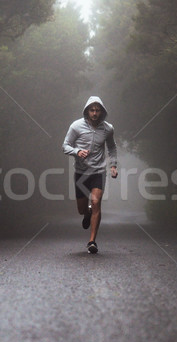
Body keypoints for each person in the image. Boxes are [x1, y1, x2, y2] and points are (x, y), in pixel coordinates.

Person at [63, 96, 118, 254]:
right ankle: (86, 213)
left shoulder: (108, 128)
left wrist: (113, 165)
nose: (95, 113)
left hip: (98, 171)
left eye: (97, 110)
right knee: (82, 209)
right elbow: (65, 146)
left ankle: (92, 241)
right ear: (87, 111)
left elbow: (112, 148)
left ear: (102, 112)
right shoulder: (76, 126)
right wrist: (77, 151)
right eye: (92, 110)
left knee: (96, 202)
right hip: (81, 172)